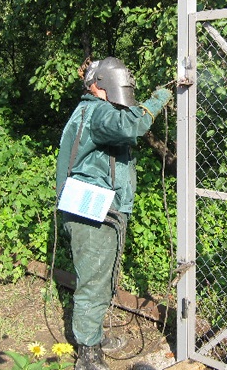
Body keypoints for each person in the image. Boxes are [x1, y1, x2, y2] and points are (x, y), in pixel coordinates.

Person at [55, 57, 172, 370]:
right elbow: (133, 124)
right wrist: (159, 98)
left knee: (101, 278)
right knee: (93, 282)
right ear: (99, 84)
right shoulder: (98, 111)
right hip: (91, 212)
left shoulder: (94, 111)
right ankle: (88, 355)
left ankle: (93, 337)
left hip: (98, 209)